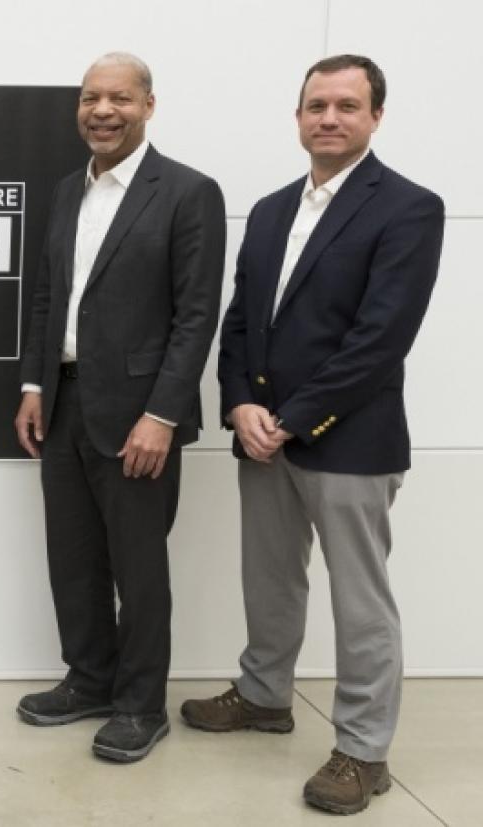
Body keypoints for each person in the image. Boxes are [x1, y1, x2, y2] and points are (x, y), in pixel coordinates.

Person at [180, 55, 444, 816]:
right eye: (316, 105)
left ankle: (363, 750)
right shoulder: (267, 211)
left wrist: (292, 418)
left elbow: (380, 337)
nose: (329, 118)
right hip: (260, 435)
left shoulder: (408, 208)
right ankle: (265, 695)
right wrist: (238, 407)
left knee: (361, 602)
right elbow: (238, 326)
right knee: (269, 581)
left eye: (347, 105)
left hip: (348, 440)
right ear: (298, 116)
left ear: (375, 117)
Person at [13, 52, 226, 762]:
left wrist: (162, 415)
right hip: (66, 402)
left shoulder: (189, 192)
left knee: (138, 570)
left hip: (140, 416)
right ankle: (90, 679)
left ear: (149, 106)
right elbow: (49, 295)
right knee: (72, 557)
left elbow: (196, 316)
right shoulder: (68, 191)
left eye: (119, 99)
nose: (102, 111)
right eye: (90, 98)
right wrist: (34, 385)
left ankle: (140, 704)